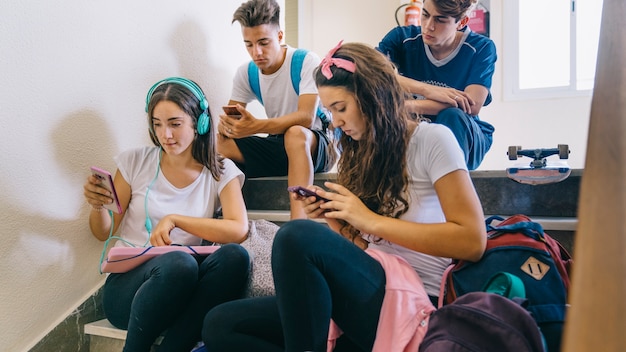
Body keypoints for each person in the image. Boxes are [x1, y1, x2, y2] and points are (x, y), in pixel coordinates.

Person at [202, 42, 486, 351]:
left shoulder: (433, 140)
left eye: (340, 108)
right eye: (330, 111)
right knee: (220, 324)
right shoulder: (358, 153)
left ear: (372, 97)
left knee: (296, 235)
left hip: (415, 299)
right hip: (368, 287)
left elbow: (472, 242)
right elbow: (364, 246)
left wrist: (370, 221)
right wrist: (335, 219)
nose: (335, 122)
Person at [83, 77, 251, 352]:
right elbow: (103, 231)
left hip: (182, 292)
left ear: (200, 122)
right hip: (128, 291)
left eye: (175, 124)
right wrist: (97, 205)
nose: (166, 135)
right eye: (157, 124)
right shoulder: (135, 161)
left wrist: (176, 219)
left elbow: (238, 229)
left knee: (235, 256)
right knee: (178, 263)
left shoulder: (221, 170)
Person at [219, 0, 335, 220]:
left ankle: (298, 222)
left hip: (316, 143)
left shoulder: (305, 61)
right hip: (278, 144)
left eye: (263, 42)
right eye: (249, 44)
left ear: (280, 36)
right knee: (217, 143)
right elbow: (230, 122)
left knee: (295, 133)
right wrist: (230, 127)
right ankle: (230, 216)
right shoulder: (246, 73)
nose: (257, 52)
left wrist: (255, 126)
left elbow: (306, 118)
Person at [377, 0, 497, 170]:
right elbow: (372, 74)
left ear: (461, 22)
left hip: (462, 132)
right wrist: (429, 90)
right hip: (413, 126)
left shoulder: (482, 47)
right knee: (376, 113)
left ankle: (455, 186)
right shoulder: (401, 38)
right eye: (425, 15)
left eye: (440, 20)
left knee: (452, 115)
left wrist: (403, 107)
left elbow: (472, 105)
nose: (428, 26)